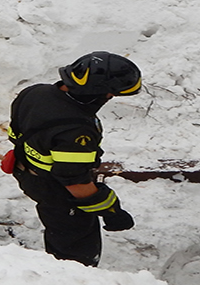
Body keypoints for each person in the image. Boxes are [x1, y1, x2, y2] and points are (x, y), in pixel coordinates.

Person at [7, 51, 142, 266]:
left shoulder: (33, 93)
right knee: (74, 242)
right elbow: (75, 183)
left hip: (26, 173)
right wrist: (111, 210)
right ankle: (72, 283)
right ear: (95, 91)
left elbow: (16, 134)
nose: (110, 98)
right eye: (110, 93)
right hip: (56, 190)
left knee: (55, 220)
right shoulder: (76, 130)